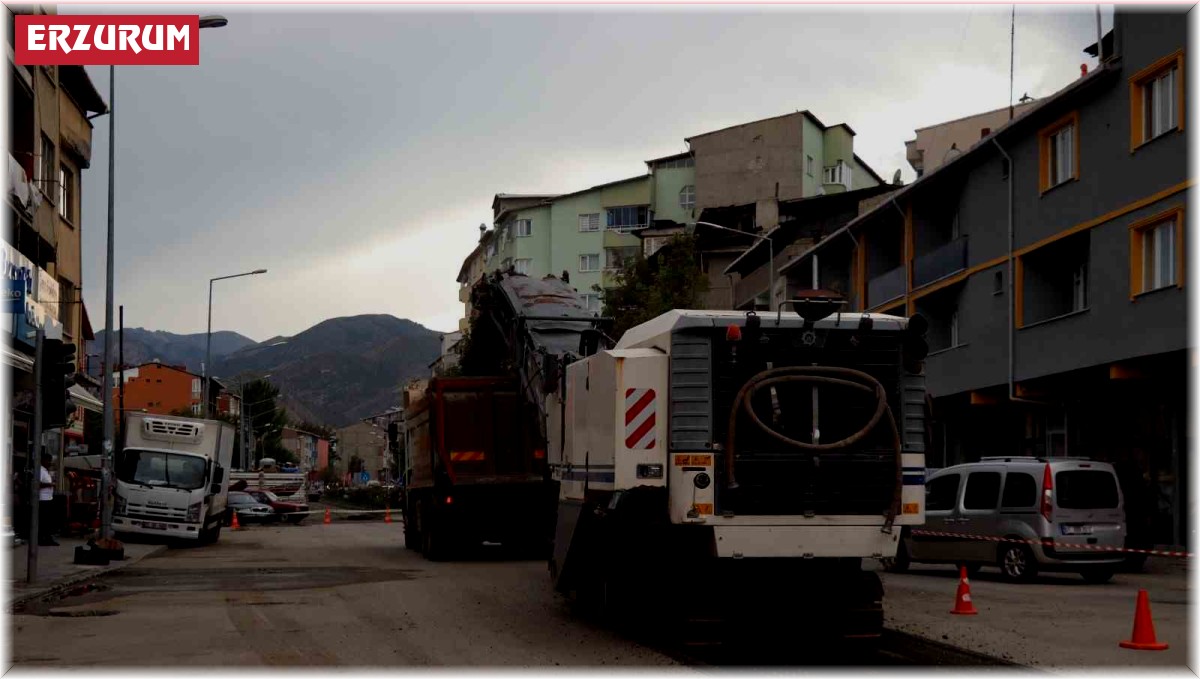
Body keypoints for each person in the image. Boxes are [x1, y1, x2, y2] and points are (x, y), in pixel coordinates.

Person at [38, 452, 58, 546]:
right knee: (44, 521)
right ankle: (43, 539)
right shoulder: (40, 470)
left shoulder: (46, 471)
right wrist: (50, 484)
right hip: (42, 499)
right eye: (48, 461)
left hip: (48, 498)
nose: (50, 463)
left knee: (48, 520)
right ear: (43, 460)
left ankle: (47, 538)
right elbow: (37, 484)